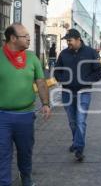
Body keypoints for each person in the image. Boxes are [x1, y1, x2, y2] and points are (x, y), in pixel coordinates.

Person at [0, 23, 51, 186]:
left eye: (29, 35)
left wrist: (45, 103)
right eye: (25, 36)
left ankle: (26, 178)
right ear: (13, 38)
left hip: (26, 115)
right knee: (2, 153)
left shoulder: (32, 58)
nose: (29, 38)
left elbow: (41, 82)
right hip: (2, 116)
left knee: (25, 152)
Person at [54, 29, 101, 162]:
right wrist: (62, 79)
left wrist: (87, 80)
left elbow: (99, 71)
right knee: (72, 121)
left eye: (69, 40)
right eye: (67, 41)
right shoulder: (64, 54)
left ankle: (79, 149)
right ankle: (76, 141)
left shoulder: (91, 53)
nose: (68, 43)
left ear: (78, 39)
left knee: (80, 120)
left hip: (84, 92)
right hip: (67, 93)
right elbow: (57, 71)